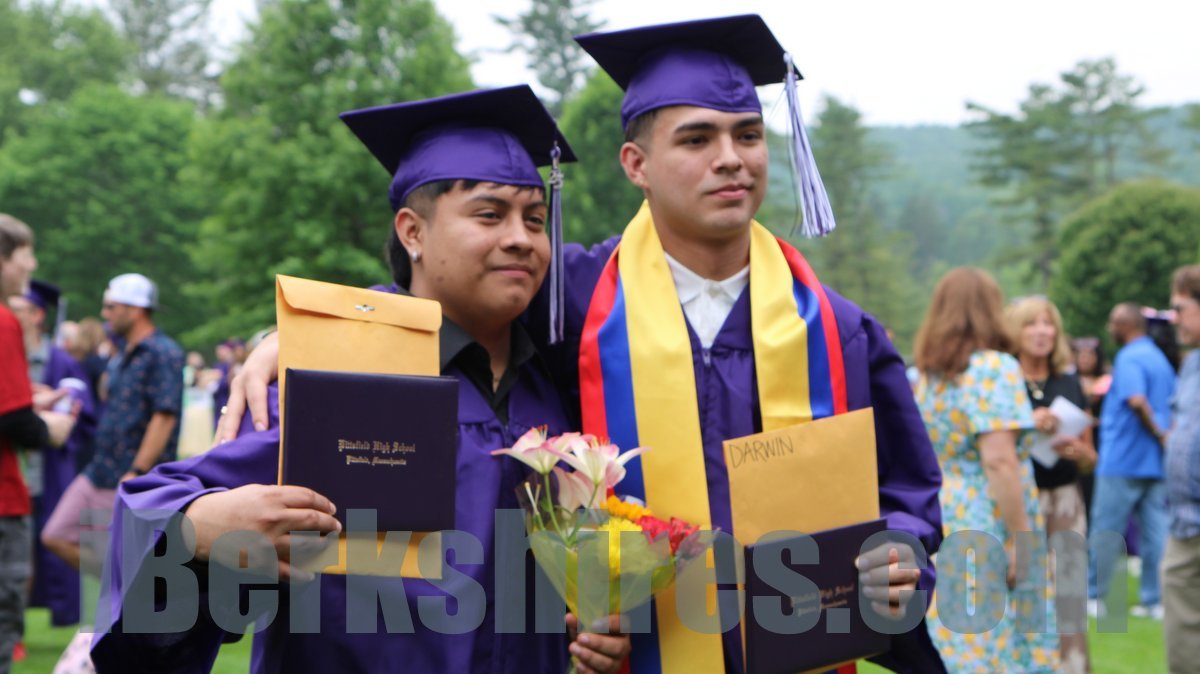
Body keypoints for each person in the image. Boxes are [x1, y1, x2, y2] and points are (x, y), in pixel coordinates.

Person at [221, 16, 946, 674]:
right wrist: (305, 334)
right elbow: (444, 295)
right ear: (636, 164)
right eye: (697, 138)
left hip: (790, 649)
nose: (731, 158)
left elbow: (905, 494)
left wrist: (901, 554)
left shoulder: (835, 328)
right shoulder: (569, 297)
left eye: (748, 135)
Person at [92, 86, 629, 674]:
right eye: (489, 214)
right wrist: (198, 529)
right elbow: (153, 511)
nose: (521, 238)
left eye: (535, 219)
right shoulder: (332, 376)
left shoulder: (556, 385)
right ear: (412, 232)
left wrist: (590, 631)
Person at [914, 268, 1058, 672]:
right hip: (990, 514)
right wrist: (1019, 538)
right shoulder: (993, 368)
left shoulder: (928, 375)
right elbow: (999, 460)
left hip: (945, 512)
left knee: (964, 638)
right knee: (1005, 638)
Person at [42, 273, 184, 574]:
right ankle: (127, 585)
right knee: (55, 535)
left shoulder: (164, 352)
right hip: (100, 469)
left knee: (130, 553)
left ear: (135, 310)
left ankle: (131, 590)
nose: (104, 313)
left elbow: (164, 416)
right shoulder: (122, 354)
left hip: (132, 476)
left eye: (111, 307)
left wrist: (138, 471)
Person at [0, 214, 76, 673]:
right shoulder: (5, 322)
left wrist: (28, 399)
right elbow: (14, 421)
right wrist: (50, 427)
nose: (32, 265)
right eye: (26, 254)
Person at [1006, 295, 1094, 674]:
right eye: (1032, 323)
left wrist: (1079, 452)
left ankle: (1074, 667)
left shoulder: (1069, 382)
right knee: (1025, 591)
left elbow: (1091, 457)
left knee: (1069, 595)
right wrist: (1029, 422)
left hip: (1065, 499)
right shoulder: (1003, 382)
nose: (1042, 332)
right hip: (1019, 500)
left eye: (1048, 324)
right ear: (1015, 330)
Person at [9, 281, 98, 627]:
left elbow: (83, 413)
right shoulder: (6, 355)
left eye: (19, 310)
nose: (12, 316)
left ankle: (59, 612)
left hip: (48, 468)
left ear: (37, 315)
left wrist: (61, 412)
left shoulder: (61, 362)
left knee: (51, 536)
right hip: (11, 469)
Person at [1088, 302, 1175, 619]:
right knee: (1156, 532)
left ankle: (1093, 595)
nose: (1109, 328)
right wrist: (1165, 438)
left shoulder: (1129, 357)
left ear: (1126, 325)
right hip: (1154, 462)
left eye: (1113, 322)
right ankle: (1154, 600)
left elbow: (1136, 400)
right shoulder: (1160, 359)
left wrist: (1158, 433)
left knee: (1106, 529)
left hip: (1123, 460)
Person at [1163, 265, 1200, 673]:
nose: (1174, 319)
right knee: (1183, 643)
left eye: (1180, 308)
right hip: (1185, 521)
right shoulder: (1191, 365)